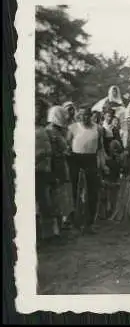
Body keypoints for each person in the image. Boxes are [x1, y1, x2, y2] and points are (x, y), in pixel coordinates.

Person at [67, 106, 106, 234]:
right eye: (82, 114)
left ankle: (89, 223)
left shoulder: (98, 129)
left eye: (87, 115)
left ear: (91, 115)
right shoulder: (72, 128)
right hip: (75, 160)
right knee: (74, 190)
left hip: (91, 160)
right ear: (78, 115)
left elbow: (100, 148)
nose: (84, 117)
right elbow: (67, 146)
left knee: (92, 192)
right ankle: (74, 223)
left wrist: (102, 164)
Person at [46, 106, 74, 236]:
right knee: (55, 194)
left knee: (61, 193)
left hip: (62, 163)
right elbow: (52, 151)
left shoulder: (59, 131)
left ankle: (61, 223)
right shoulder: (50, 131)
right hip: (55, 165)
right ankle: (55, 227)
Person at [35, 98, 55, 242]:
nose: (36, 113)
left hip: (41, 170)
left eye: (39, 111)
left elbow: (48, 150)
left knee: (44, 201)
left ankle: (48, 234)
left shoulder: (43, 130)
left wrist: (38, 157)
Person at [100, 140, 123, 219]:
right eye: (113, 148)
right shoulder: (106, 159)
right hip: (107, 181)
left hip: (113, 181)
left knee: (112, 198)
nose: (115, 151)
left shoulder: (117, 160)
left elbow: (119, 172)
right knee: (106, 197)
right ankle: (105, 213)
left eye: (116, 149)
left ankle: (110, 212)